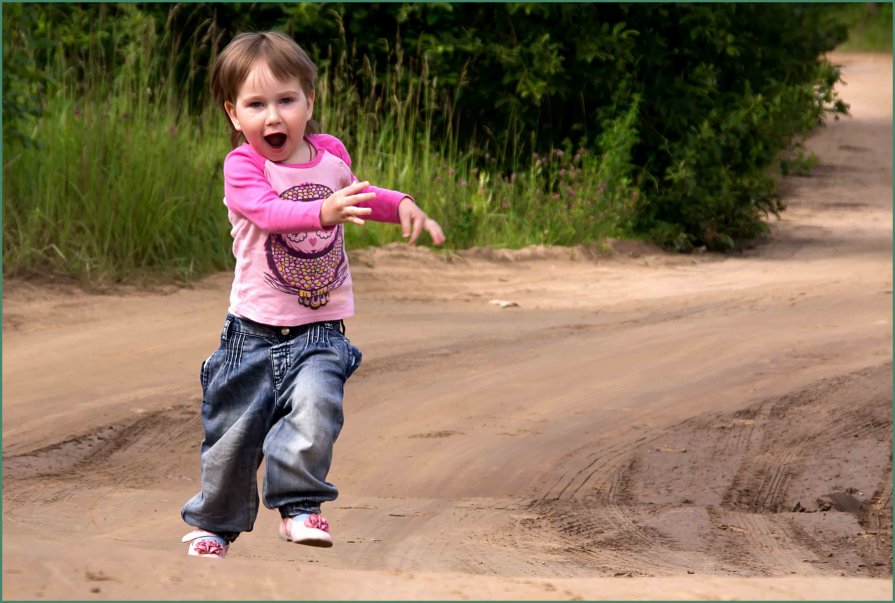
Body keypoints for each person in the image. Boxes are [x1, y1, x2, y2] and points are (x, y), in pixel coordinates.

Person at [180, 31, 445, 559]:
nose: (272, 117)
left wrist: (405, 205)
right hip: (251, 333)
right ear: (235, 115)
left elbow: (359, 196)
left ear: (309, 102)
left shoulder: (330, 154)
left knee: (317, 410)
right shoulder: (244, 167)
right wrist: (322, 212)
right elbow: (268, 213)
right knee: (232, 438)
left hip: (320, 331)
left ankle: (300, 505)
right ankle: (215, 523)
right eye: (256, 105)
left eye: (286, 100)